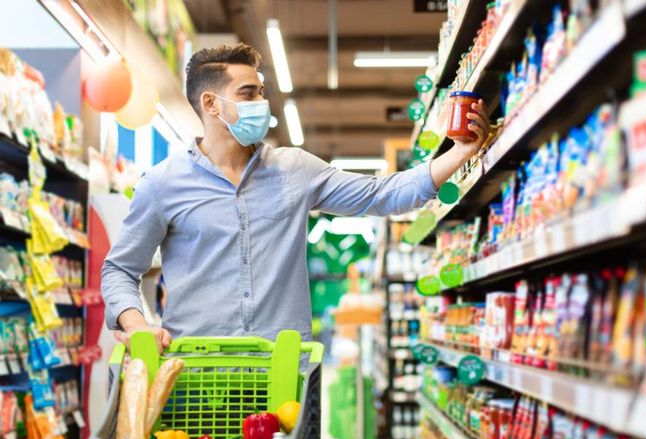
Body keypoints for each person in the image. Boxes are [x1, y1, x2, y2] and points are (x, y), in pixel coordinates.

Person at [101, 44, 490, 352]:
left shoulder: (295, 170)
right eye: (248, 93)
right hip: (198, 371)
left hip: (286, 373)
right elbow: (119, 269)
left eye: (261, 93)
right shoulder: (163, 184)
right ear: (211, 104)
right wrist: (136, 326)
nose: (261, 103)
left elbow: (381, 195)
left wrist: (458, 154)